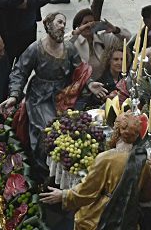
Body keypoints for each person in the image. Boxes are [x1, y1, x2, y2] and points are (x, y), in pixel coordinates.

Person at [38, 112, 151, 230]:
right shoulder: (142, 161)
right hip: (127, 220)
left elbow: (86, 192)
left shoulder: (106, 159)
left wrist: (63, 195)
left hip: (102, 219)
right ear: (137, 135)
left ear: (116, 132)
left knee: (82, 217)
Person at [7, 12, 106, 153]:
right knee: (47, 130)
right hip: (40, 98)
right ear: (48, 24)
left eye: (64, 24)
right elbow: (19, 72)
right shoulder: (35, 49)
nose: (62, 26)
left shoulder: (69, 49)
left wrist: (89, 83)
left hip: (64, 95)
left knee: (69, 129)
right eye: (59, 22)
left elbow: (79, 69)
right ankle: (43, 167)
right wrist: (14, 95)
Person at [67, 8, 130, 81]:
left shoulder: (101, 38)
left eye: (91, 22)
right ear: (78, 26)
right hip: (83, 84)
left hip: (104, 82)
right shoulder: (74, 42)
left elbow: (127, 38)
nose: (89, 25)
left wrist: (115, 29)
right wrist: (79, 30)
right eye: (85, 23)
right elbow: (62, 43)